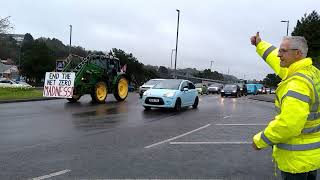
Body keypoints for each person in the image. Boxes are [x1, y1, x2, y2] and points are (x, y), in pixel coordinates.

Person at [251, 32, 320, 180]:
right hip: (312, 157)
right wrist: (259, 44)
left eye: (283, 51)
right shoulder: (311, 72)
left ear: (297, 54)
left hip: (296, 161)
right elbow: (273, 58)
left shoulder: (297, 84)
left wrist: (260, 140)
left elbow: (289, 124)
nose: (278, 54)